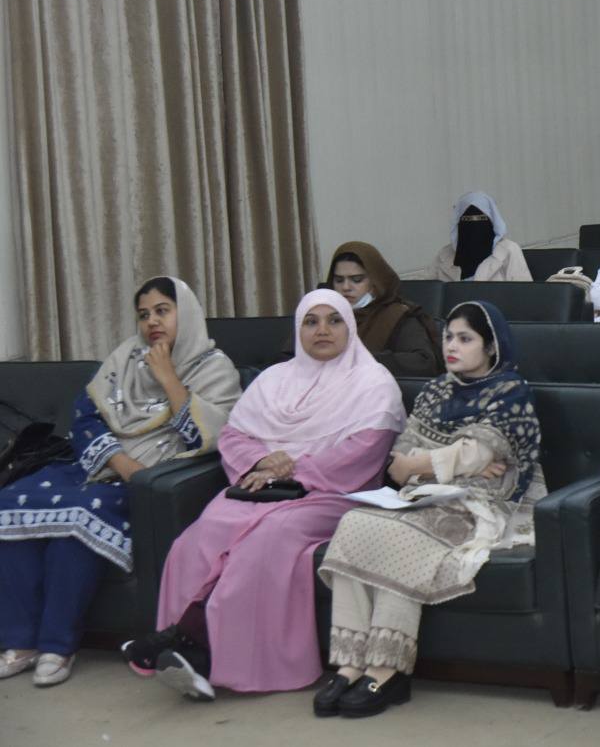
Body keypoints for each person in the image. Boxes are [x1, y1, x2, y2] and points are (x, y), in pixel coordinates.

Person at [123, 289, 407, 700]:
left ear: (350, 327)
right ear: (298, 330)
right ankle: (184, 646)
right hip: (259, 489)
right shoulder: (273, 379)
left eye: (334, 320)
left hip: (332, 494)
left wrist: (292, 471)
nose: (322, 330)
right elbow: (234, 435)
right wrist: (260, 463)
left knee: (267, 540)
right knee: (203, 534)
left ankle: (199, 651)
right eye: (311, 321)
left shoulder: (374, 383)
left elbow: (365, 450)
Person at [0, 277, 240, 687]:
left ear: (186, 313)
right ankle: (20, 642)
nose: (152, 322)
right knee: (11, 503)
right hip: (100, 466)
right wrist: (121, 462)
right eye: (144, 315)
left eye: (163, 311)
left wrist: (168, 378)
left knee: (78, 520)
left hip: (154, 476)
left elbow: (208, 439)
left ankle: (58, 645)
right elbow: (85, 416)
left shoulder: (216, 369)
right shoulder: (125, 357)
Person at [314, 300, 545, 717]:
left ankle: (386, 669)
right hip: (424, 496)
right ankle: (349, 662)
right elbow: (399, 461)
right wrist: (450, 460)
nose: (451, 346)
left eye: (465, 339)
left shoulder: (511, 391)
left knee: (399, 536)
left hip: (481, 504)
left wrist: (433, 461)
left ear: (491, 346)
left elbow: (477, 455)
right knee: (353, 523)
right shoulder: (436, 389)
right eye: (448, 337)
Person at [324, 242, 443, 377]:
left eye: (356, 279)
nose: (346, 287)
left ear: (375, 282)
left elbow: (423, 362)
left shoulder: (396, 316)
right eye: (339, 280)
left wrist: (361, 359)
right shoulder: (323, 317)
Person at [426, 192, 534, 282]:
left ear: (491, 221)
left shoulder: (509, 250)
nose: (474, 225)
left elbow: (524, 293)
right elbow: (428, 292)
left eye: (481, 218)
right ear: (458, 223)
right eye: (467, 219)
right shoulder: (444, 255)